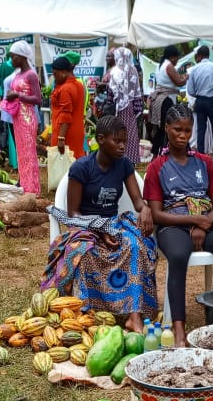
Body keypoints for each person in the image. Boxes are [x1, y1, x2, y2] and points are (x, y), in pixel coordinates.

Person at [144, 104, 213, 346]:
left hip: (204, 224)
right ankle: (179, 329)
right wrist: (194, 220)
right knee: (179, 255)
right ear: (166, 128)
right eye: (177, 130)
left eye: (187, 130)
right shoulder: (157, 166)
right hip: (172, 226)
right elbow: (157, 214)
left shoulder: (204, 162)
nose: (183, 135)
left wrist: (204, 225)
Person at [44, 116, 157, 333]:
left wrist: (144, 209)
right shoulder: (81, 168)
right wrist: (100, 229)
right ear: (101, 139)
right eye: (117, 141)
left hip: (114, 223)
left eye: (124, 141)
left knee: (135, 246)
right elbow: (73, 213)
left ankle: (134, 314)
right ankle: (86, 313)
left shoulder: (124, 165)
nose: (122, 146)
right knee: (84, 253)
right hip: (85, 225)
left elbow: (137, 201)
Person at [3, 41, 42, 194]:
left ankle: (32, 188)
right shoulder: (18, 74)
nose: (11, 60)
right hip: (18, 117)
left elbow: (38, 99)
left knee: (29, 153)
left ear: (22, 56)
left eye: (13, 56)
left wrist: (18, 95)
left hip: (27, 118)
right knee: (21, 153)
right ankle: (24, 184)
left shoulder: (31, 75)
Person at [186, 45, 213, 165]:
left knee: (200, 130)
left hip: (200, 101)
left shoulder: (194, 69)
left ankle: (201, 158)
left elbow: (190, 91)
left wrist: (199, 94)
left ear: (199, 56)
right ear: (208, 55)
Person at [149, 45, 188, 156]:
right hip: (166, 99)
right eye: (177, 58)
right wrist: (186, 77)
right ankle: (164, 152)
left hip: (159, 99)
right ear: (172, 57)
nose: (177, 60)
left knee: (161, 128)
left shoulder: (160, 65)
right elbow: (179, 82)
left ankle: (155, 153)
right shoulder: (169, 66)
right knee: (168, 127)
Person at [108, 47, 144, 164]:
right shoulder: (133, 70)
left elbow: (110, 93)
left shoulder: (114, 71)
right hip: (130, 109)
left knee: (115, 134)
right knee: (130, 135)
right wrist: (137, 109)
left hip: (116, 110)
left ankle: (115, 158)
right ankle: (130, 160)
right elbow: (137, 92)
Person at [50, 55, 87, 159]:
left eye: (55, 74)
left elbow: (66, 114)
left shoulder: (65, 89)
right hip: (77, 130)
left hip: (65, 134)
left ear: (63, 72)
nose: (54, 77)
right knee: (75, 161)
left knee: (63, 164)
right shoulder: (79, 85)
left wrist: (61, 138)